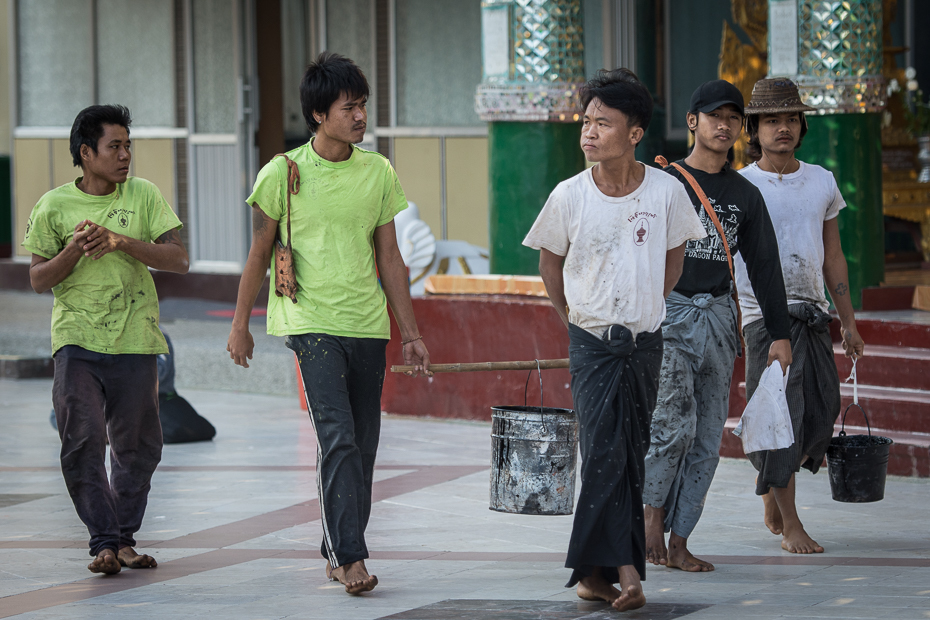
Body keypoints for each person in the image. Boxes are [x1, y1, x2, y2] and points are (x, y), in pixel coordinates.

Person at [226, 52, 430, 595]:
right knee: (336, 436)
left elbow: (390, 257)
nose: (360, 116)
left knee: (363, 444)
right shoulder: (282, 172)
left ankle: (336, 544)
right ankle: (350, 556)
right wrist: (240, 323)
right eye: (349, 107)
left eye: (363, 105)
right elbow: (258, 252)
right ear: (319, 114)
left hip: (368, 324)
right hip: (310, 322)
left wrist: (410, 333)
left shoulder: (378, 171)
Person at [523, 68, 706, 611]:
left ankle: (590, 576)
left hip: (646, 342)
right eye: (586, 122)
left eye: (603, 122)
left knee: (629, 453)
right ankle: (628, 573)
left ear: (634, 133)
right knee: (606, 453)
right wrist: (572, 318)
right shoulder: (569, 195)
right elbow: (549, 263)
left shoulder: (667, 191)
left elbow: (673, 261)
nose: (589, 132)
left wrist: (645, 308)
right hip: (592, 343)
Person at [23, 104, 189, 574]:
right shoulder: (53, 205)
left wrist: (120, 241)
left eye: (128, 145)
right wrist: (73, 250)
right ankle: (104, 543)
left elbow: (178, 259)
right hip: (76, 341)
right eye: (114, 146)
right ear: (86, 152)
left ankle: (123, 540)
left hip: (135, 338)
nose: (125, 155)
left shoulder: (144, 195)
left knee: (139, 445)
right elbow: (37, 279)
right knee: (82, 440)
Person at [642, 80, 793, 572]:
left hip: (722, 320)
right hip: (672, 316)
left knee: (708, 435)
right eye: (714, 116)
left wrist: (780, 335)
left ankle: (681, 539)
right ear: (693, 122)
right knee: (669, 427)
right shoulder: (664, 182)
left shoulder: (745, 194)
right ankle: (648, 526)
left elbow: (766, 267)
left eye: (732, 118)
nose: (724, 125)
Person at [737, 77, 864, 554]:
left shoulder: (822, 181)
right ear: (755, 128)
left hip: (814, 314)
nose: (783, 128)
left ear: (802, 124)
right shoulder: (742, 186)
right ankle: (791, 523)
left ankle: (772, 487)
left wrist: (848, 321)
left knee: (821, 413)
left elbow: (833, 255)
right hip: (765, 318)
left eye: (791, 118)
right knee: (780, 418)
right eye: (772, 120)